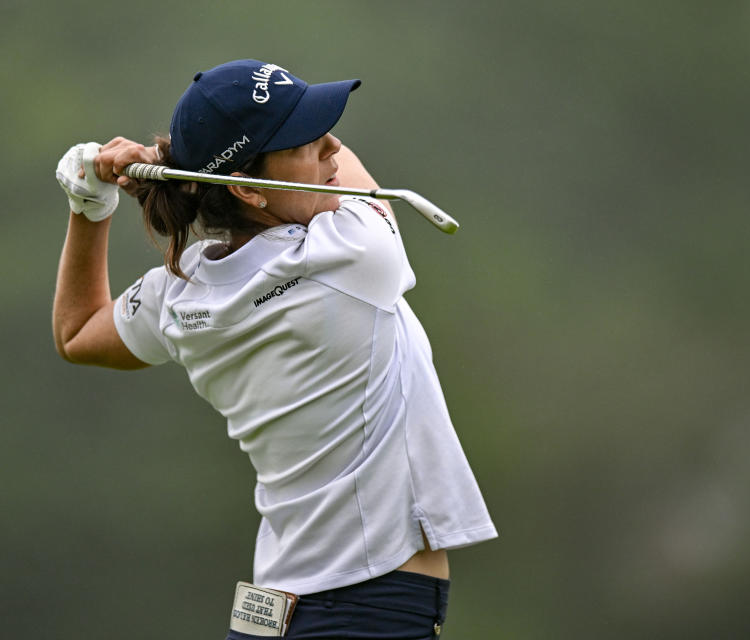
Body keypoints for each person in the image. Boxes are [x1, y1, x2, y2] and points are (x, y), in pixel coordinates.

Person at [52, 59, 497, 639]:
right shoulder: (351, 253)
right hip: (370, 609)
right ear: (244, 187)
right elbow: (350, 175)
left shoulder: (178, 290)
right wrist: (177, 165)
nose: (332, 146)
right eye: (306, 140)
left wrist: (90, 204)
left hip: (272, 614)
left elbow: (78, 331)